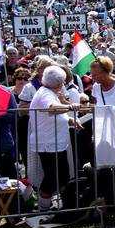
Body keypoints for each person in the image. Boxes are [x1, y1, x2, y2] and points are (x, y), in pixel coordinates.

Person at [29, 66, 77, 213]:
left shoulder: (51, 92)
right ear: (57, 83)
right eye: (62, 82)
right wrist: (69, 106)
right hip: (48, 144)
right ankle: (44, 207)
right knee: (52, 177)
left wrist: (69, 120)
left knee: (62, 175)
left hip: (55, 142)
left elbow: (56, 115)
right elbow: (52, 108)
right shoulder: (45, 94)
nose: (63, 85)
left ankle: (63, 204)